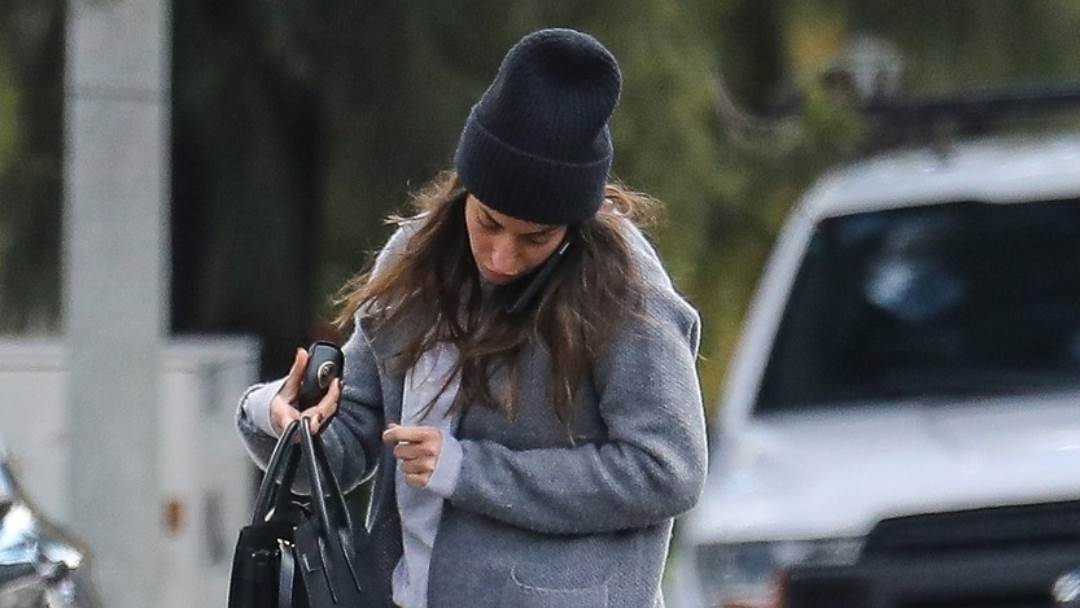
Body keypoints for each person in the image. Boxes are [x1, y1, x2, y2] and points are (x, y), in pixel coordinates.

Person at [235, 27, 707, 608]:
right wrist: (278, 416)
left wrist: (468, 471)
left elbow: (667, 470)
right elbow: (353, 440)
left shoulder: (628, 294)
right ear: (466, 191)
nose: (502, 257)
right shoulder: (414, 262)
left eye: (535, 238)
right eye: (488, 222)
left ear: (575, 224)